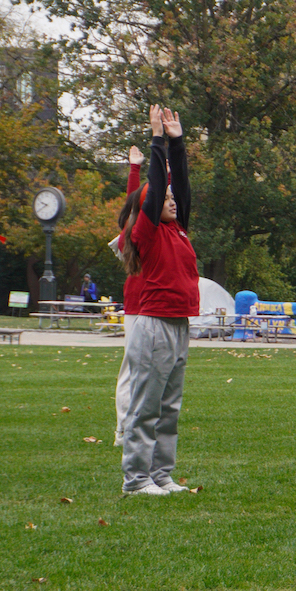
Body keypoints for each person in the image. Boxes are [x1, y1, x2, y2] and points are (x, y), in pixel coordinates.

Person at [119, 105, 198, 495]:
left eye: (172, 197)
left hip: (178, 323)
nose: (171, 200)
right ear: (147, 207)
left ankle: (161, 475)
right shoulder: (146, 233)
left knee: (169, 408)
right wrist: (156, 141)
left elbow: (181, 185)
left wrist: (178, 142)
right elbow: (154, 185)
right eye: (162, 197)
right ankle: (136, 480)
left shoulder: (178, 229)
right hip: (153, 325)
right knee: (145, 406)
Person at [110, 144, 143, 446]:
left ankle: (141, 425)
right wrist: (134, 169)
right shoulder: (128, 238)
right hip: (137, 308)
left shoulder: (158, 229)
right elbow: (134, 205)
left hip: (155, 307)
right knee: (132, 367)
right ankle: (123, 428)